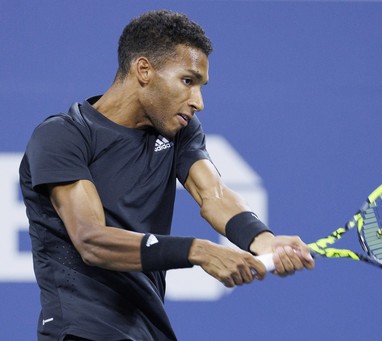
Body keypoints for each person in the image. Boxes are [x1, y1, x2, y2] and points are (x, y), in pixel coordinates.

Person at [19, 9, 314, 341]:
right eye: (188, 81)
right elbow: (91, 240)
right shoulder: (63, 135)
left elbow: (213, 195)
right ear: (144, 69)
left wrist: (263, 239)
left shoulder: (180, 131)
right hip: (82, 332)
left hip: (148, 330)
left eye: (201, 85)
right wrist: (198, 251)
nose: (198, 101)